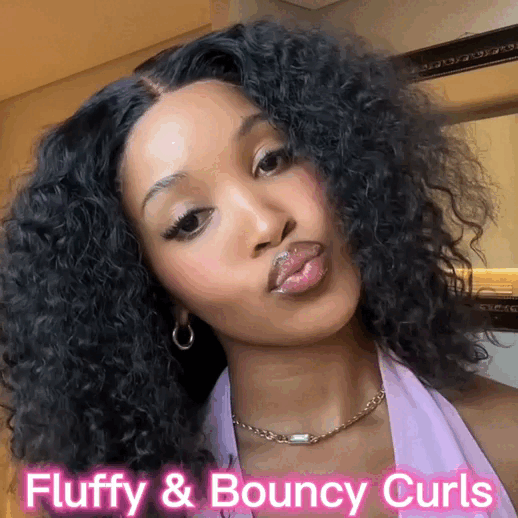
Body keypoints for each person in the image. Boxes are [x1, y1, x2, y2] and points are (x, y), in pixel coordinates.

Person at [0, 17, 516, 518]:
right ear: (161, 293)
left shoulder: (504, 439)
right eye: (190, 220)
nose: (267, 222)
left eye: (272, 160)